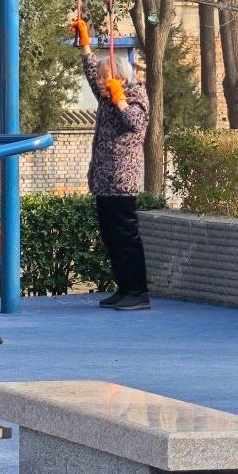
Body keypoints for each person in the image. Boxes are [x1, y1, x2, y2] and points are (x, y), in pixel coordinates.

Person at [70, 15, 149, 309]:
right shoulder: (106, 97)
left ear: (119, 78)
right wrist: (85, 44)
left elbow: (135, 123)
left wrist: (120, 100)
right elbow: (91, 71)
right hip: (104, 179)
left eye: (106, 77)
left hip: (122, 181)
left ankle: (137, 291)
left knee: (126, 236)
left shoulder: (136, 95)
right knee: (111, 237)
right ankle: (123, 287)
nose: (101, 81)